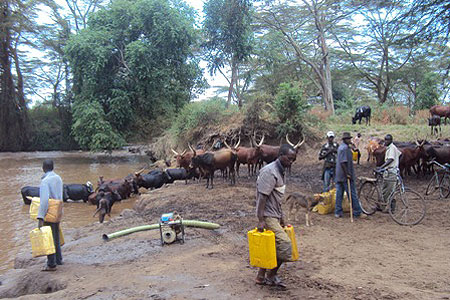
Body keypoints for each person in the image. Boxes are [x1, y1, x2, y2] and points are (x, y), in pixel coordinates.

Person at [255, 144, 296, 289]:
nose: (291, 162)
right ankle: (271, 275)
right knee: (285, 245)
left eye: (293, 160)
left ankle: (261, 276)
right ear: (281, 155)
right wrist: (261, 220)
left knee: (272, 245)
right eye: (289, 159)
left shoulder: (280, 170)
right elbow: (262, 198)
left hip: (275, 214)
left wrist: (282, 218)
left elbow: (276, 198)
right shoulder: (270, 172)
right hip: (267, 216)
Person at [37, 159, 64, 271]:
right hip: (58, 210)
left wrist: (40, 217)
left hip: (50, 212)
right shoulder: (58, 178)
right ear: (52, 167)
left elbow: (44, 201)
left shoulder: (45, 181)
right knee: (56, 235)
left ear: (43, 168)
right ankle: (59, 259)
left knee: (49, 237)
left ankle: (51, 264)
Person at [335, 132, 364, 219]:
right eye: (348, 139)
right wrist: (347, 173)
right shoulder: (344, 149)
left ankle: (338, 212)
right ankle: (357, 212)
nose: (350, 140)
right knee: (352, 193)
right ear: (344, 140)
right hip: (345, 175)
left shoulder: (342, 147)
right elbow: (343, 163)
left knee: (339, 194)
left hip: (339, 175)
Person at [377, 134, 401, 211]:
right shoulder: (390, 148)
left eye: (387, 140)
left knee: (389, 191)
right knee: (385, 189)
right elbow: (400, 154)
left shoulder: (392, 148)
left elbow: (390, 159)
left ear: (391, 140)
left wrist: (382, 167)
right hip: (389, 171)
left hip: (391, 172)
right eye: (385, 140)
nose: (385, 141)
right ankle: (384, 207)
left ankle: (389, 208)